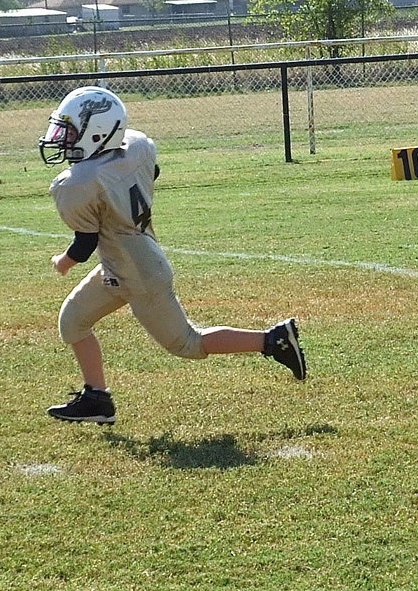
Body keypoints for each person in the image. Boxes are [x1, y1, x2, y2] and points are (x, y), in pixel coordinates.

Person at [39, 85, 306, 424]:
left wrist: (64, 262)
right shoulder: (135, 148)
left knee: (188, 344)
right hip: (125, 264)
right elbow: (151, 173)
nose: (63, 138)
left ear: (98, 132)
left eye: (71, 130)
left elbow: (85, 242)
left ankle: (274, 340)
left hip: (139, 273)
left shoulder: (79, 182)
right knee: (73, 320)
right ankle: (97, 399)